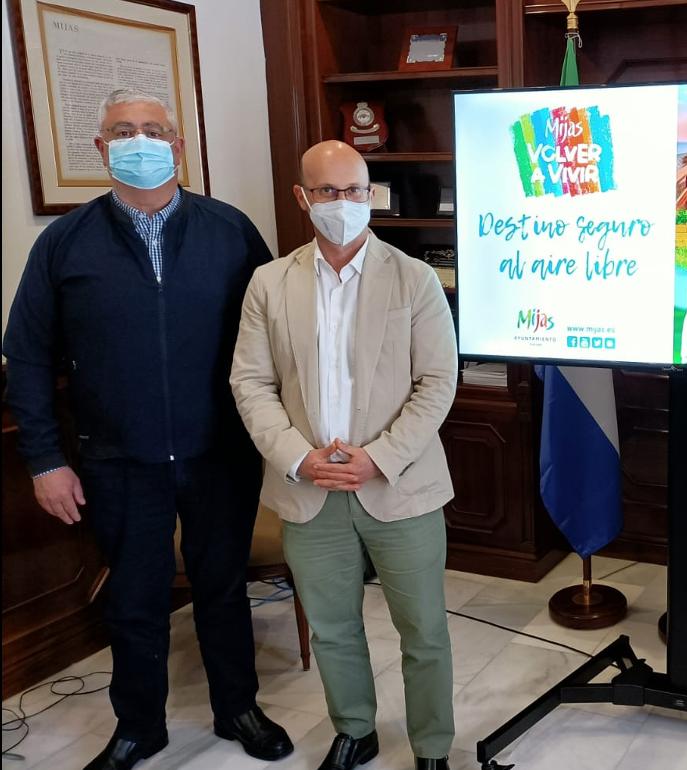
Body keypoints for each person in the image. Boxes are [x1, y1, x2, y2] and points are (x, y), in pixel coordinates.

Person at [3, 89, 291, 770]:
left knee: (223, 589)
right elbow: (28, 354)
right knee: (134, 600)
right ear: (101, 148)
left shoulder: (230, 231)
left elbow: (275, 338)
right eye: (124, 130)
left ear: (178, 146)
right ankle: (139, 726)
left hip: (219, 452)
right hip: (117, 458)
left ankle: (237, 707)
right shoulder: (64, 243)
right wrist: (44, 461)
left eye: (154, 130)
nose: (141, 141)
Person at [230, 140, 458, 770]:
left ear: (370, 195)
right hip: (310, 490)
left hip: (400, 486)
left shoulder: (413, 278)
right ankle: (355, 729)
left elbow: (438, 382)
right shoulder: (269, 283)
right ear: (302, 198)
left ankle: (432, 746)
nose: (343, 202)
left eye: (355, 190)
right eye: (327, 191)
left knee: (424, 630)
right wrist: (297, 458)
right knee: (332, 627)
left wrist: (379, 457)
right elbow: (251, 383)